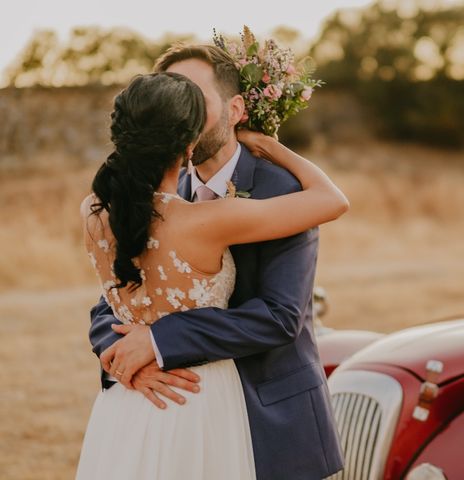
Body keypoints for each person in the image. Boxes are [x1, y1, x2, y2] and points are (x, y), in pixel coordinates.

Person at [81, 44, 346, 480]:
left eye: (193, 98)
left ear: (235, 108)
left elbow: (281, 316)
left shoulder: (282, 191)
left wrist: (158, 341)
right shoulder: (148, 196)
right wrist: (118, 351)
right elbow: (115, 293)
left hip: (271, 424)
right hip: (168, 406)